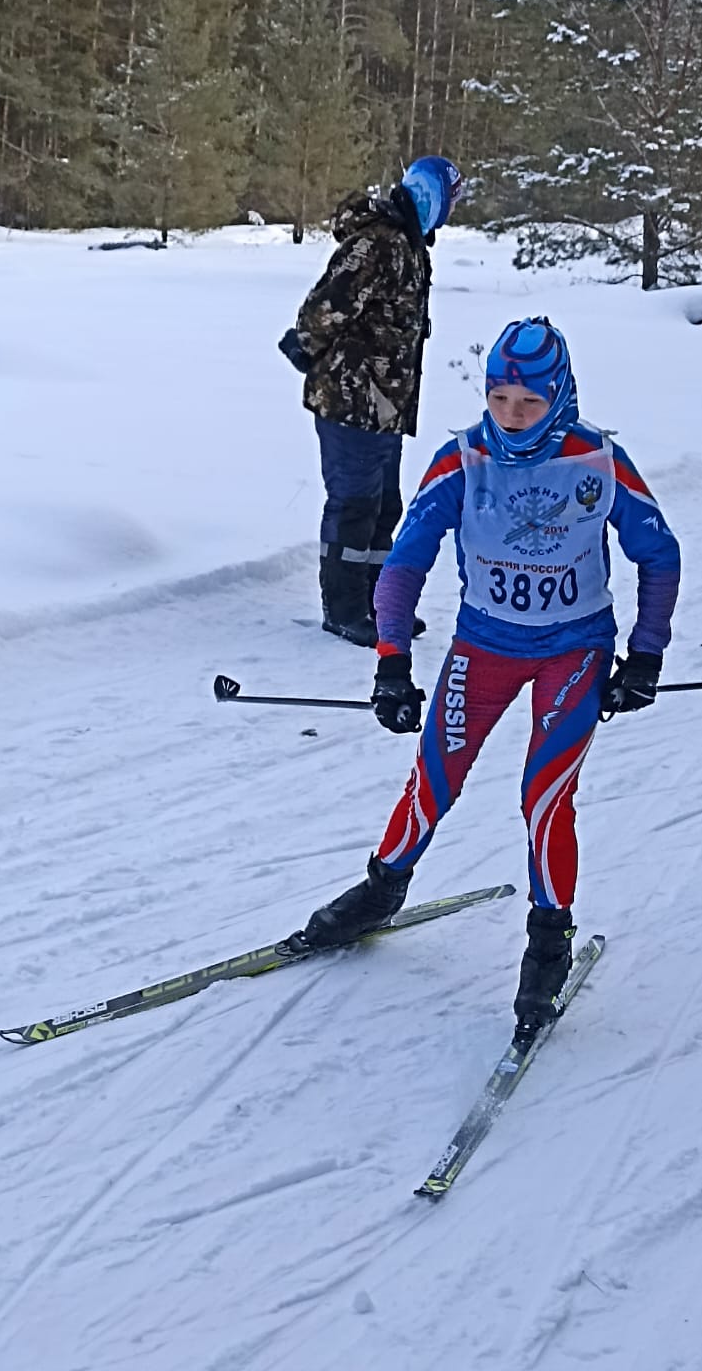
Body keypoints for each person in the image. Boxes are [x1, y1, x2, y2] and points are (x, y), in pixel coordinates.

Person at [287, 317, 681, 1047]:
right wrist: (391, 662)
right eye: (498, 398)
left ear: (557, 396)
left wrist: (645, 656)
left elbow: (657, 552)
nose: (510, 417)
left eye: (527, 403)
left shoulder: (595, 458)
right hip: (484, 645)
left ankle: (547, 938)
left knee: (544, 795)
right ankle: (381, 889)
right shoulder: (461, 458)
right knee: (434, 774)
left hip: (574, 650)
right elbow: (404, 563)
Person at [279, 156, 464, 647]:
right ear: (431, 196)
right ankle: (343, 610)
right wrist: (308, 348)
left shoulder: (409, 244)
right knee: (355, 504)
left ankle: (378, 604)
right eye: (449, 200)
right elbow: (325, 308)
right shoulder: (378, 242)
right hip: (350, 401)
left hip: (387, 406)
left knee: (385, 506)